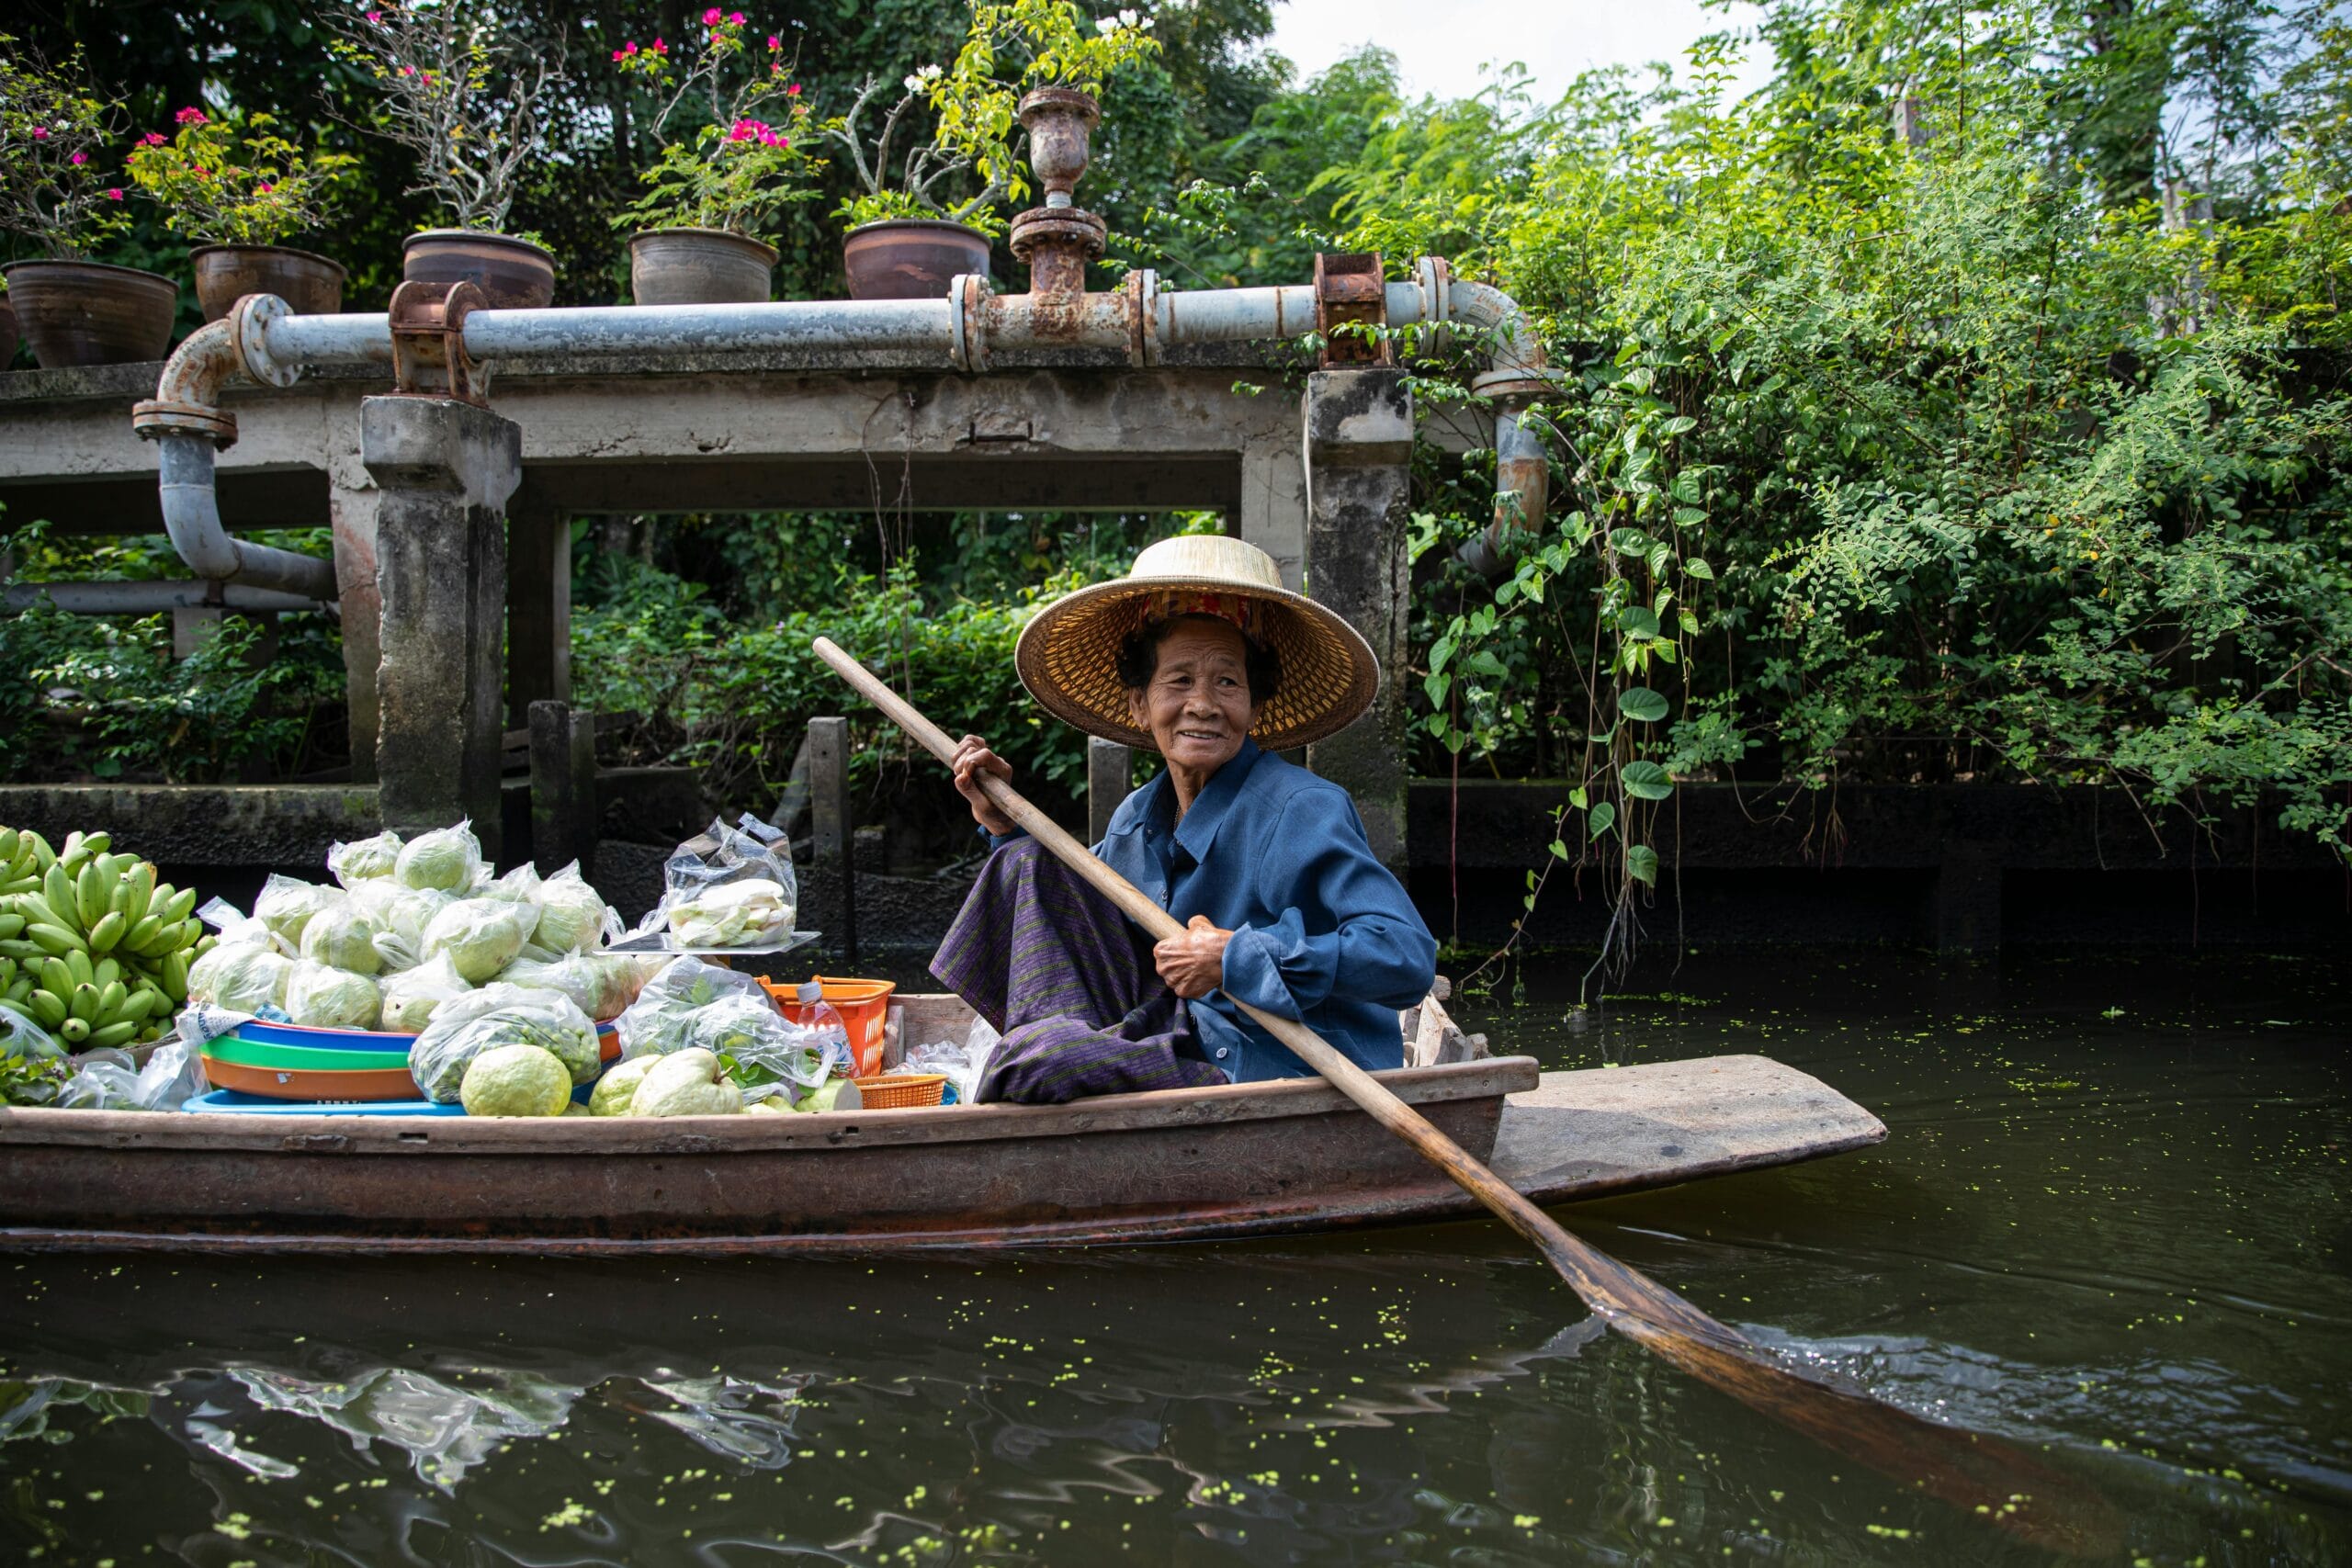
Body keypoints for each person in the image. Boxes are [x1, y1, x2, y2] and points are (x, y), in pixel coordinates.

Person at [931, 534, 1437, 1103]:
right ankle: (1060, 1043)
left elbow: (1405, 956)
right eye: (1178, 681)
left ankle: (1055, 1053)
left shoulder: (1301, 808)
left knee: (1036, 1067)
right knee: (1025, 864)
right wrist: (1001, 820)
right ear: (1139, 704)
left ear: (1254, 704)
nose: (1203, 703)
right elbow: (1071, 911)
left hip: (1267, 1061)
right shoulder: (1137, 817)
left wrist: (1233, 958)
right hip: (1172, 1027)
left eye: (1227, 681)